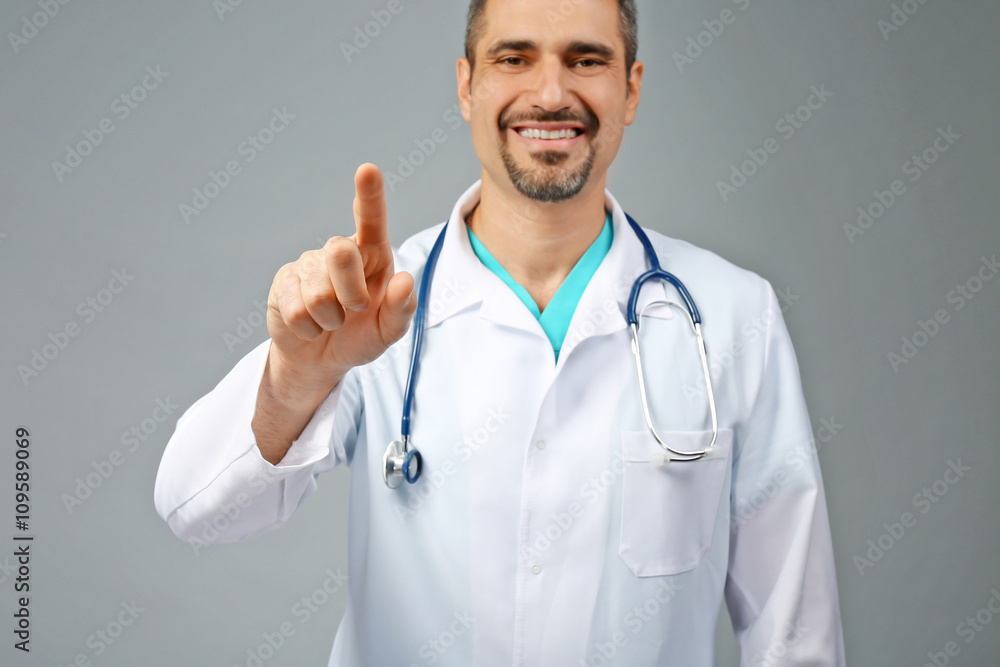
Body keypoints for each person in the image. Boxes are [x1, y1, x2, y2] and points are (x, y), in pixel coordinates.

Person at [154, 0, 846, 664]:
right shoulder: (374, 308)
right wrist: (296, 377)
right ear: (467, 85)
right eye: (514, 58)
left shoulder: (732, 314)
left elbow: (796, 634)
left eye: (585, 59)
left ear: (631, 89)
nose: (550, 94)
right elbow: (194, 508)